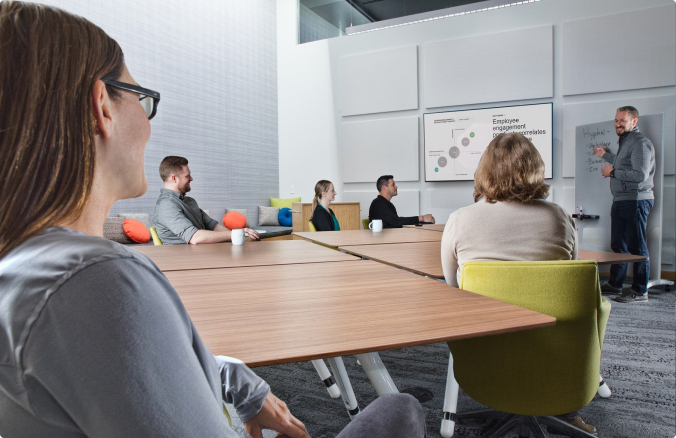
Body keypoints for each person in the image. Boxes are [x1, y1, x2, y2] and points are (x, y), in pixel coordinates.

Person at [0, 3, 426, 438]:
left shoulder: (27, 265)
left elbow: (137, 366)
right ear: (101, 108)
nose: (148, 128)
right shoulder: (95, 281)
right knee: (401, 412)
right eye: (143, 99)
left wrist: (236, 379)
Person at [440, 132, 596, 436]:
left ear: (484, 170)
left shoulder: (460, 219)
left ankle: (503, 396)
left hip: (484, 360)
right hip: (557, 355)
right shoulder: (560, 218)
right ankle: (564, 410)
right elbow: (571, 278)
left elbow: (451, 287)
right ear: (535, 168)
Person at [592, 106, 655, 303]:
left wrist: (612, 173)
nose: (618, 124)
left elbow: (639, 175)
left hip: (636, 200)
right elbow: (622, 162)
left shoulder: (640, 142)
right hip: (621, 200)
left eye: (623, 120)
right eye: (617, 120)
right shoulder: (626, 142)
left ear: (634, 122)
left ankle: (639, 290)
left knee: (638, 248)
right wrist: (605, 156)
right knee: (619, 246)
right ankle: (615, 284)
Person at [153, 155, 260, 244]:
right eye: (187, 176)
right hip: (185, 260)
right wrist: (234, 234)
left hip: (203, 252)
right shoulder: (166, 205)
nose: (191, 179)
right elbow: (194, 237)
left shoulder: (189, 201)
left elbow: (213, 225)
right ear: (174, 178)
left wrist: (237, 237)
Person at [369, 175, 435, 228]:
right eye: (393, 184)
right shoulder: (378, 204)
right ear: (384, 188)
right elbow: (396, 221)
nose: (396, 186)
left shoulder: (387, 204)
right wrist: (421, 218)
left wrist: (422, 221)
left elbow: (395, 223)